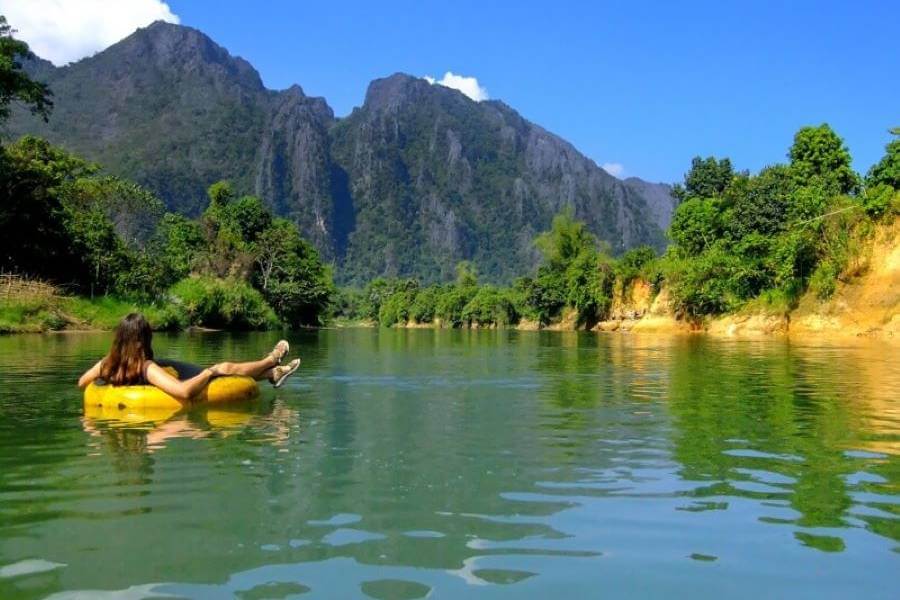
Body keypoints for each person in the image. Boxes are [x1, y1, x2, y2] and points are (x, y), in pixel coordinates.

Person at [77, 313, 301, 400]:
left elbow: (81, 383)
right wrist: (209, 372)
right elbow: (183, 392)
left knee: (223, 369)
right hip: (188, 382)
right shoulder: (146, 368)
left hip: (168, 375)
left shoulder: (106, 364)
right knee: (223, 367)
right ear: (143, 340)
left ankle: (274, 373)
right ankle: (272, 361)